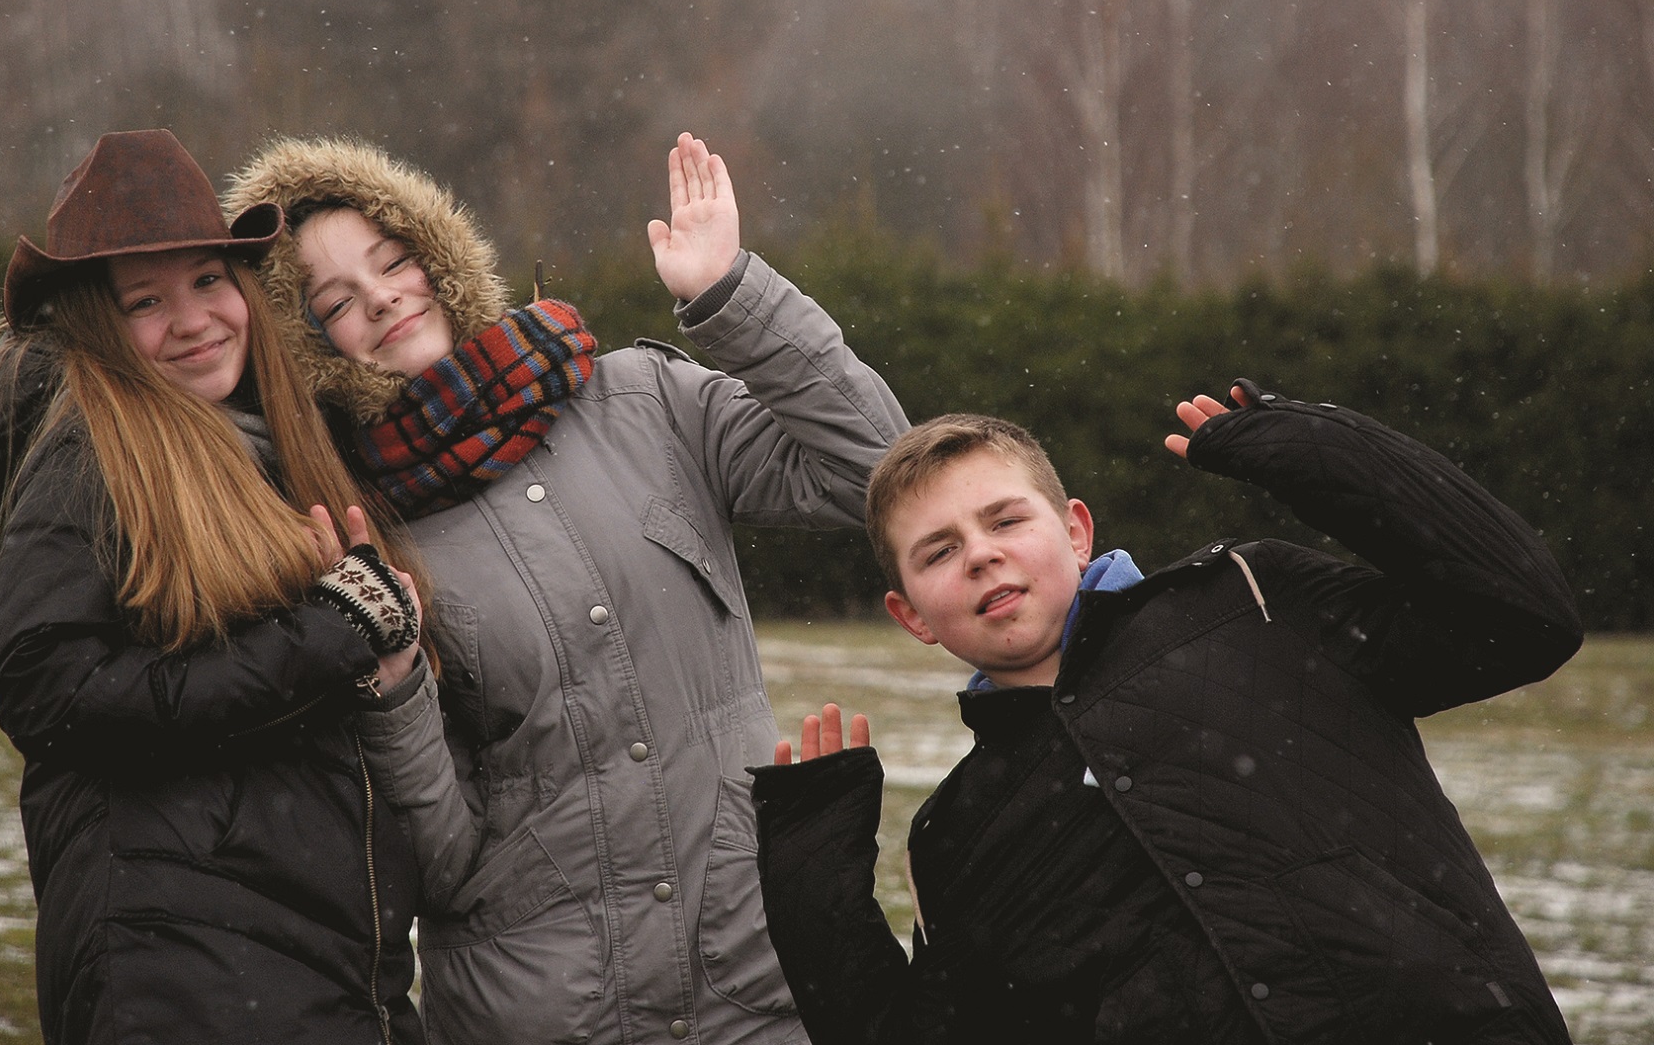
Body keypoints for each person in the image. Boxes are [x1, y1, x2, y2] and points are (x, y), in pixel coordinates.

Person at [220, 132, 909, 1044]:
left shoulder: (643, 400)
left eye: (394, 260)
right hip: (545, 1013)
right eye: (335, 301)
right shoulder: (350, 534)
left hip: (758, 984)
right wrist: (392, 686)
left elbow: (878, 471)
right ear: (308, 346)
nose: (382, 295)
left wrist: (731, 296)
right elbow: (444, 856)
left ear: (443, 256)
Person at [750, 380, 1585, 1044]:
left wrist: (1312, 448)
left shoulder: (1252, 598)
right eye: (939, 550)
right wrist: (811, 873)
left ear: (1077, 530)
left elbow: (1519, 616)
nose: (981, 553)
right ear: (913, 617)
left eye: (1005, 518)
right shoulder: (956, 835)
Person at [0, 129, 429, 1044]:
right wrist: (326, 634)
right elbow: (44, 688)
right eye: (146, 300)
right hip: (184, 972)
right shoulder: (89, 456)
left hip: (319, 966)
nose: (193, 320)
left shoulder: (260, 447)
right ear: (98, 323)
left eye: (210, 281)